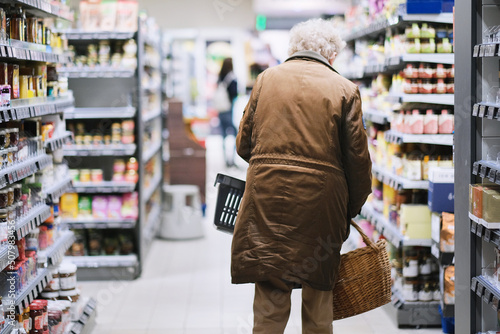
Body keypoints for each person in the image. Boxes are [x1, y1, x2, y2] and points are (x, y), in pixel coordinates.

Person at [231, 18, 372, 333]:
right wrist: (349, 208)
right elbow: (358, 162)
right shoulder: (345, 90)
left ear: (293, 48)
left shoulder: (266, 80)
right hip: (321, 208)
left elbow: (244, 145)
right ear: (331, 55)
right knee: (319, 301)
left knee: (270, 299)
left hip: (267, 202)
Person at [216, 57, 238, 167]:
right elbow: (235, 94)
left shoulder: (220, 77)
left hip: (221, 110)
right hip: (229, 110)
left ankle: (225, 160)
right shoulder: (232, 78)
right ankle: (232, 160)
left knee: (223, 135)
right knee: (235, 134)